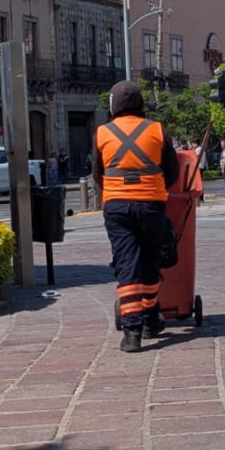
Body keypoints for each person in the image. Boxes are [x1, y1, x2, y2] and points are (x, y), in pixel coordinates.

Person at [93, 80, 179, 353]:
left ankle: (132, 333)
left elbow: (97, 174)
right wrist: (152, 188)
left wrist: (116, 191)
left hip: (117, 207)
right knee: (150, 262)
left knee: (126, 265)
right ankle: (151, 318)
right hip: (151, 205)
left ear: (114, 105)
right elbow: (173, 172)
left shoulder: (102, 133)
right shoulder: (157, 130)